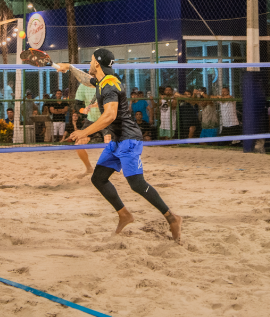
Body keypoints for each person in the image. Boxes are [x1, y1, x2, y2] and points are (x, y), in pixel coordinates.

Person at [57, 49, 182, 242]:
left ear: (97, 64)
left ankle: (172, 218)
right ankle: (124, 214)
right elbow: (85, 79)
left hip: (128, 139)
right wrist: (70, 68)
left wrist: (84, 132)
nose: (89, 64)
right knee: (98, 178)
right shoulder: (102, 80)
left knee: (137, 184)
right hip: (117, 140)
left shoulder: (109, 85)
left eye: (91, 60)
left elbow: (109, 115)